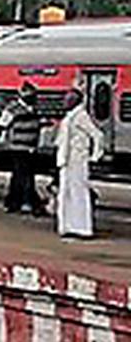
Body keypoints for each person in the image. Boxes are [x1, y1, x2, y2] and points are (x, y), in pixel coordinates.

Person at [56, 89, 104, 239]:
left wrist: (95, 156)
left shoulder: (81, 116)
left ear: (75, 101)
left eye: (68, 98)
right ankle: (67, 226)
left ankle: (82, 228)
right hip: (66, 160)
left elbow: (97, 135)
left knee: (79, 193)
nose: (65, 101)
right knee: (65, 193)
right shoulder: (70, 116)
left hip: (77, 160)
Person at [0, 82, 47, 215]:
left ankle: (13, 202)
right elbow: (3, 124)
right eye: (32, 96)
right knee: (25, 175)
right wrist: (2, 142)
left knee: (20, 175)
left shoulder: (34, 109)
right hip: (17, 147)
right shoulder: (12, 109)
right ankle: (27, 202)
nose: (34, 99)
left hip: (30, 147)